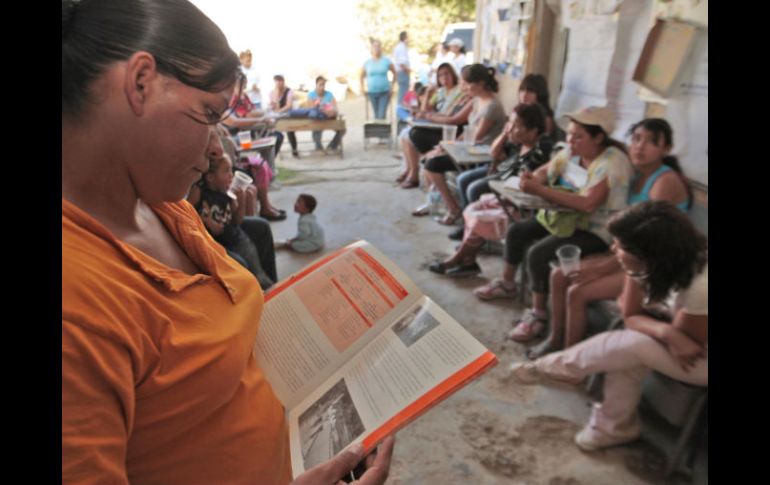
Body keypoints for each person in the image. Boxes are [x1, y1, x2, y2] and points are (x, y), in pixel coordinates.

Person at [62, 1, 394, 484]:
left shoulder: (158, 205)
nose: (217, 145)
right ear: (140, 83)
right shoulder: (76, 300)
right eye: (209, 114)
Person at [509, 201, 707, 451]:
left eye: (621, 246)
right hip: (674, 336)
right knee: (628, 349)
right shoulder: (647, 265)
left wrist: (662, 331)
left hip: (700, 357)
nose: (613, 250)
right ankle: (614, 428)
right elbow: (632, 316)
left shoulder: (701, 286)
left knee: (632, 344)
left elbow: (688, 348)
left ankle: (554, 368)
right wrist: (664, 331)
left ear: (649, 252)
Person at [527, 118, 692, 358]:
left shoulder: (664, 182)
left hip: (656, 266)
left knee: (578, 291)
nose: (640, 147)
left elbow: (647, 244)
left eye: (651, 142)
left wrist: (602, 266)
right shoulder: (635, 176)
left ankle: (570, 358)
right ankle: (555, 340)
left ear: (666, 149)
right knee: (559, 274)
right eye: (636, 139)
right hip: (631, 256)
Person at [473, 106, 633, 343]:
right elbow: (544, 171)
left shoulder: (612, 162)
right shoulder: (572, 152)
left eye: (579, 136)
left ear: (599, 138)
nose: (571, 140)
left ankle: (538, 316)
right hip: (568, 218)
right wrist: (534, 179)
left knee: (539, 253)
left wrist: (540, 190)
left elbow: (588, 204)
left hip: (597, 231)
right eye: (569, 134)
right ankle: (507, 284)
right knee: (518, 230)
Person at [428, 103, 552, 277]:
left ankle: (462, 257)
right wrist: (505, 133)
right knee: (470, 192)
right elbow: (494, 154)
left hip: (519, 197)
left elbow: (533, 180)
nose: (511, 128)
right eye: (510, 123)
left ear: (532, 131)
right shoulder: (517, 141)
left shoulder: (544, 148)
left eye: (516, 125)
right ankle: (467, 253)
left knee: (476, 195)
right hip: (505, 183)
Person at [421, 64, 507, 225]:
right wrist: (445, 146)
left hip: (482, 155)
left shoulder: (492, 106)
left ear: (480, 83)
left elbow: (475, 136)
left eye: (467, 84)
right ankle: (445, 205)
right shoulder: (476, 100)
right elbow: (466, 132)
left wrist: (448, 147)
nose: (464, 87)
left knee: (433, 164)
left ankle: (454, 209)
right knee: (430, 160)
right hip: (468, 151)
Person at [187, 153, 275, 289]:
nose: (231, 175)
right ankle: (260, 287)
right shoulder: (198, 191)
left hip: (232, 236)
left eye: (231, 170)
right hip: (213, 242)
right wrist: (205, 222)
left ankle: (269, 284)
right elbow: (185, 215)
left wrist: (240, 201)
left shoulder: (227, 191)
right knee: (243, 264)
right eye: (226, 171)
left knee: (260, 230)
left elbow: (237, 221)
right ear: (210, 177)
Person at [397, 62, 468, 189]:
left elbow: (451, 117)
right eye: (440, 75)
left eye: (447, 74)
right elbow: (425, 109)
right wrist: (428, 95)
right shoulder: (440, 92)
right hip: (437, 125)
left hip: (448, 129)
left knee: (412, 135)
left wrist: (428, 116)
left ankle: (414, 173)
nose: (444, 78)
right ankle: (411, 171)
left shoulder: (460, 92)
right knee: (407, 134)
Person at [307, 76, 346, 153]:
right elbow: (312, 108)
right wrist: (324, 110)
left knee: (342, 129)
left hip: (330, 117)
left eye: (323, 85)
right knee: (316, 128)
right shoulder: (311, 95)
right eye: (320, 84)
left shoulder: (329, 94)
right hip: (318, 118)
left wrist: (332, 111)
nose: (322, 87)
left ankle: (332, 146)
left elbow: (334, 106)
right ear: (316, 84)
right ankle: (318, 147)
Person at [360, 39, 397, 120]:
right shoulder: (367, 63)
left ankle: (382, 131)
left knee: (381, 115)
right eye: (374, 46)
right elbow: (361, 76)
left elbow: (395, 73)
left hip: (384, 92)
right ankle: (378, 132)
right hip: (372, 92)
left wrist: (392, 87)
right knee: (376, 115)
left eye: (378, 46)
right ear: (371, 48)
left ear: (381, 48)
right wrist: (362, 88)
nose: (376, 48)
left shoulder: (386, 61)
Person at [270, 74, 300, 157]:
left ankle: (294, 149)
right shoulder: (273, 92)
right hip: (278, 115)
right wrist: (276, 94)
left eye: (280, 81)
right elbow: (274, 106)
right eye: (277, 82)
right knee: (275, 130)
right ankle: (275, 151)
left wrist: (279, 111)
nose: (279, 83)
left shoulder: (289, 91)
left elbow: (288, 105)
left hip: (287, 114)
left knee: (290, 130)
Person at [393, 31, 411, 107]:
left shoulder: (399, 47)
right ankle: (400, 113)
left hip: (401, 72)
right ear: (405, 38)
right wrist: (407, 70)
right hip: (403, 73)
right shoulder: (402, 47)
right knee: (403, 94)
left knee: (403, 93)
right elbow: (401, 63)